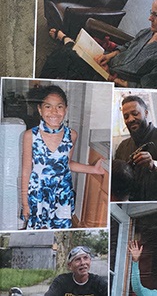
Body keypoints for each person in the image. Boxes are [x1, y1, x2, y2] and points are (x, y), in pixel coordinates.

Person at [43, 0, 157, 90]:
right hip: (106, 62)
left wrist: (113, 79)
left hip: (109, 80)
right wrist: (108, 56)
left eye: (156, 15)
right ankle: (66, 40)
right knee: (74, 52)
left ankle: (64, 40)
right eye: (151, 12)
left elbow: (145, 87)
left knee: (63, 56)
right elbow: (128, 45)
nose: (150, 18)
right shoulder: (148, 32)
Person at [21, 85, 105, 229]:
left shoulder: (71, 135)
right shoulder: (30, 135)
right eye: (48, 107)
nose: (54, 111)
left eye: (59, 107)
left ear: (65, 109)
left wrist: (93, 169)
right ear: (40, 110)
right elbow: (26, 170)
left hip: (62, 194)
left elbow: (66, 164)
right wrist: (25, 203)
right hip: (39, 194)